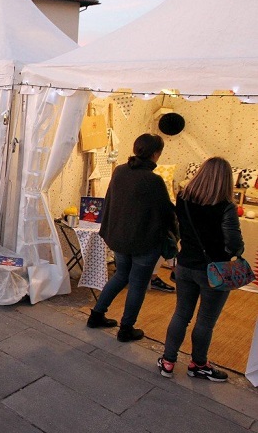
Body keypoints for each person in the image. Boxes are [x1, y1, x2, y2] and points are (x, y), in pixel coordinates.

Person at [157, 157, 243, 382]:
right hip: (214, 270)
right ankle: (198, 364)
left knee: (181, 315)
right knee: (205, 320)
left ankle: (167, 361)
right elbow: (234, 244)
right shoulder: (226, 207)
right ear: (226, 180)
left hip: (185, 265)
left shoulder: (183, 198)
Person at [87, 133, 177, 342]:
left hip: (119, 237)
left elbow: (110, 202)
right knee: (137, 284)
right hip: (144, 242)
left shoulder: (119, 171)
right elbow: (166, 213)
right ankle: (126, 329)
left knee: (120, 276)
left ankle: (97, 315)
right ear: (156, 154)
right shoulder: (153, 180)